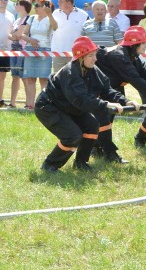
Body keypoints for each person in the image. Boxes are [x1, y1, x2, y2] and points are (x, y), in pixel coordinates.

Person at [36, 36, 139, 172]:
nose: (95, 59)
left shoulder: (92, 69)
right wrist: (106, 105)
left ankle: (81, 163)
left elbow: (106, 89)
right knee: (73, 136)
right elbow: (82, 100)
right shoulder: (70, 73)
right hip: (49, 107)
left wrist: (125, 101)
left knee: (92, 125)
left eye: (95, 55)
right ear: (81, 57)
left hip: (69, 106)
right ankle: (49, 165)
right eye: (91, 56)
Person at [21, 0, 57, 110]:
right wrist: (31, 40)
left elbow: (55, 27)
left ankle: (43, 105)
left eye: (37, 5)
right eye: (35, 5)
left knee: (43, 79)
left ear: (45, 7)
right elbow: (23, 34)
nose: (35, 8)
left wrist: (49, 14)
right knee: (30, 78)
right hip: (30, 49)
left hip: (45, 50)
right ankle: (30, 105)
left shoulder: (51, 18)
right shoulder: (32, 18)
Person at [51, 0, 88, 73]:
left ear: (68, 3)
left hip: (76, 54)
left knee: (75, 79)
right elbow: (53, 28)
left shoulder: (83, 15)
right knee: (58, 80)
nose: (58, 3)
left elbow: (87, 34)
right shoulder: (54, 13)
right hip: (58, 54)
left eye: (60, 1)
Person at [7, 0, 31, 108]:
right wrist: (14, 35)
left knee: (24, 77)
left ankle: (28, 103)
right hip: (14, 51)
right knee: (14, 76)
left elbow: (17, 35)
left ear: (23, 6)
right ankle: (12, 103)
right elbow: (11, 35)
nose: (15, 5)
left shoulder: (28, 19)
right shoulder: (17, 21)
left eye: (17, 4)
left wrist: (14, 35)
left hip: (23, 51)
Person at [0, 0, 15, 106]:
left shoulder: (11, 15)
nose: (3, 1)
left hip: (6, 51)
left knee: (2, 77)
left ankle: (0, 100)